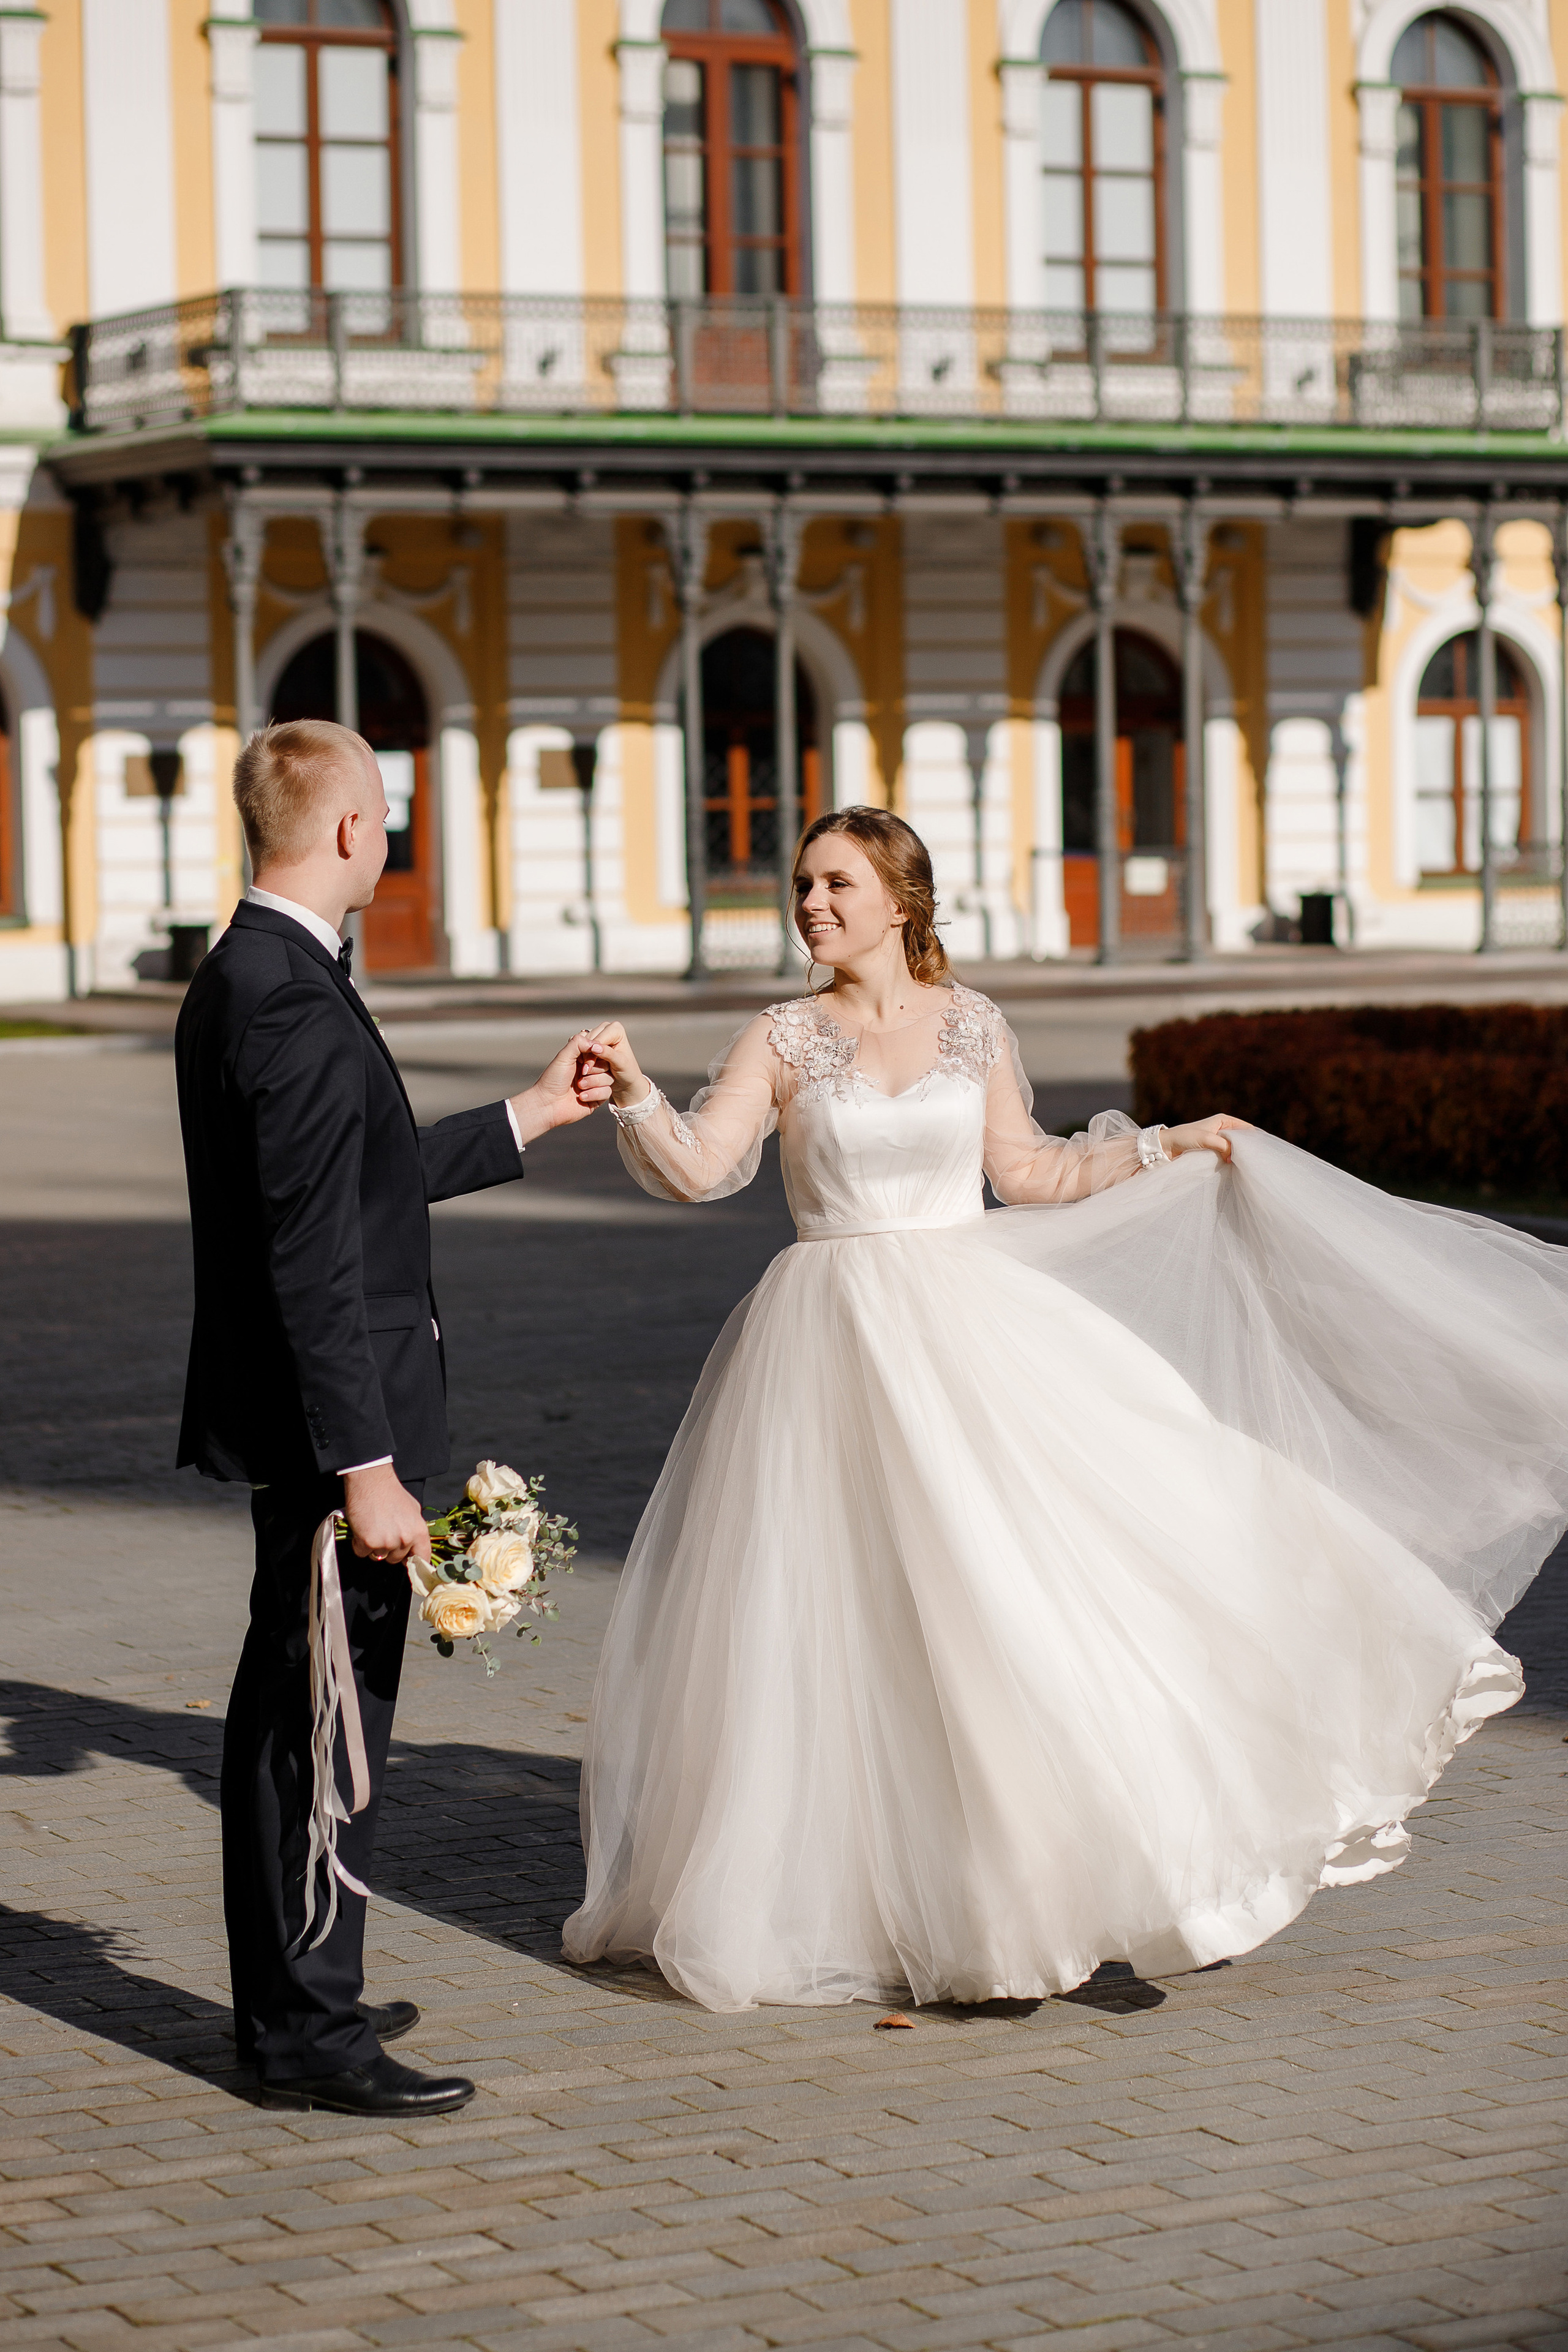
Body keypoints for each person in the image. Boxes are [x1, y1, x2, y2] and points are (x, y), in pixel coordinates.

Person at [562, 805, 1568, 2015]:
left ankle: (1054, 1888)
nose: (811, 903)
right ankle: (900, 1897)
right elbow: (698, 1165)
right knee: (851, 1619)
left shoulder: (972, 1023)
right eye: (802, 884)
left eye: (835, 882)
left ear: (899, 898)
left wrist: (1164, 1148)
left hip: (966, 1326)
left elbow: (1029, 1172)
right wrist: (630, 1095)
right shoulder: (779, 1037)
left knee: (1012, 1601)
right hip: (821, 1346)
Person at [176, 718, 609, 2114]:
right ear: (351, 830)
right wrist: (366, 1468)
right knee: (325, 1736)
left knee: (290, 1728)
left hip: (306, 1423)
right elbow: (310, 1255)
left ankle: (289, 2012)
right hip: (331, 1440)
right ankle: (312, 2037)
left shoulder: (254, 972)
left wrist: (529, 1117)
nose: (392, 828)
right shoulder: (290, 997)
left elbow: (356, 1183)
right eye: (387, 806)